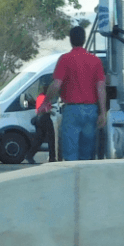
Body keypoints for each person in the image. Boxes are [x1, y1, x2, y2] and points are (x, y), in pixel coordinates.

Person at [40, 26, 106, 161]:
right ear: (84, 39)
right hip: (91, 110)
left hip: (71, 110)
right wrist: (103, 112)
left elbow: (56, 84)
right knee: (87, 154)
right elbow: (101, 88)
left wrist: (45, 101)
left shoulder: (65, 59)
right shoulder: (95, 61)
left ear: (71, 40)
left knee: (70, 154)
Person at [27, 85, 56, 164]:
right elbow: (46, 109)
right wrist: (51, 111)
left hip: (38, 119)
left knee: (39, 139)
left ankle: (30, 155)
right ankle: (52, 157)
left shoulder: (39, 97)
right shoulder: (45, 98)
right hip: (45, 118)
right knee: (51, 138)